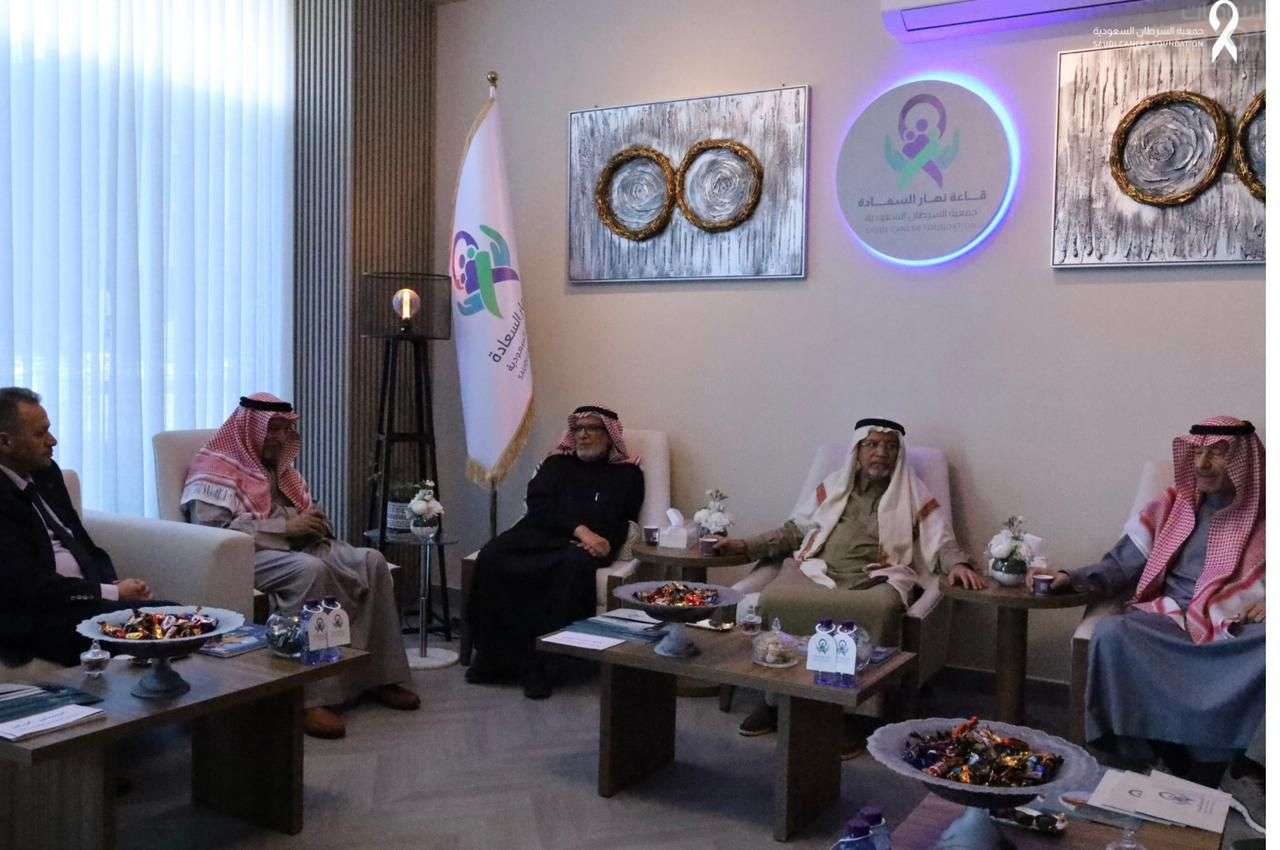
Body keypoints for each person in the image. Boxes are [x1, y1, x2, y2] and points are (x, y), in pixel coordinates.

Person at [716, 418, 984, 738]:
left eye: (890, 446)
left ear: (898, 454)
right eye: (872, 444)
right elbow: (794, 531)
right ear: (857, 451)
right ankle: (775, 700)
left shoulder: (912, 492)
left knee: (880, 609)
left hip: (877, 576)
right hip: (818, 570)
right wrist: (745, 545)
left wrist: (958, 565)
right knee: (776, 598)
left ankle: (853, 712)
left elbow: (940, 539)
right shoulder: (833, 488)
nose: (881, 453)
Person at [182, 393, 419, 739]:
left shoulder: (281, 470)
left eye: (285, 429)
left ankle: (378, 676)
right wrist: (286, 527)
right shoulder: (214, 469)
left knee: (372, 561)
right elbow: (212, 533)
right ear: (249, 428)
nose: (280, 438)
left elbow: (302, 509)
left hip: (297, 546)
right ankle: (309, 697)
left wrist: (313, 521)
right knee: (310, 571)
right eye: (273, 428)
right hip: (246, 555)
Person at [1042, 416, 1263, 784]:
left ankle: (1240, 765)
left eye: (1217, 454)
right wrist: (1073, 579)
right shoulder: (1173, 505)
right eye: (1197, 453)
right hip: (1170, 619)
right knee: (1112, 634)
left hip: (1234, 626)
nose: (1202, 464)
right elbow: (1122, 564)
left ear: (1244, 460)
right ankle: (1136, 754)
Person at [466, 405, 644, 699]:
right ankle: (492, 660)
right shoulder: (555, 465)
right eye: (578, 429)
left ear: (610, 435)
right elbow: (539, 507)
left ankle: (541, 669)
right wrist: (580, 529)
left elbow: (621, 517)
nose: (583, 435)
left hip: (579, 547)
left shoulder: (628, 474)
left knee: (568, 568)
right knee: (493, 555)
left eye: (592, 428)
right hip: (537, 534)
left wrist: (598, 541)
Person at [0, 387, 159, 667]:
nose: (53, 440)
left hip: (85, 601)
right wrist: (110, 593)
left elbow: (80, 541)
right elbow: (27, 585)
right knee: (163, 627)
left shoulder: (46, 473)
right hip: (37, 618)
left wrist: (110, 584)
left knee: (179, 619)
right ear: (5, 442)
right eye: (40, 434)